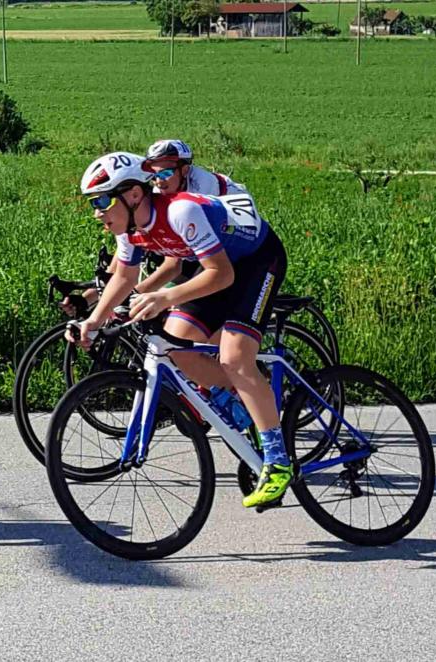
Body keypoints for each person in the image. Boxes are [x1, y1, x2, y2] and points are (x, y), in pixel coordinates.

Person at [71, 152, 292, 509]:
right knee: (175, 348)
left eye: (101, 201)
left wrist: (165, 297)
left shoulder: (181, 211)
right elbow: (125, 277)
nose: (97, 212)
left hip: (256, 262)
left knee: (235, 358)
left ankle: (279, 462)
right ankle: (246, 402)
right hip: (215, 267)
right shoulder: (130, 230)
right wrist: (92, 322)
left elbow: (222, 274)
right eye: (92, 203)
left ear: (134, 194)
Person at [59, 141, 248, 318]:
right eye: (154, 175)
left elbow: (173, 265)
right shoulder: (158, 193)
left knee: (185, 307)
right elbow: (126, 252)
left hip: (237, 242)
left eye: (165, 173)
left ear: (184, 170)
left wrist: (133, 296)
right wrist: (90, 297)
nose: (158, 181)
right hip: (199, 243)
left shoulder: (198, 192)